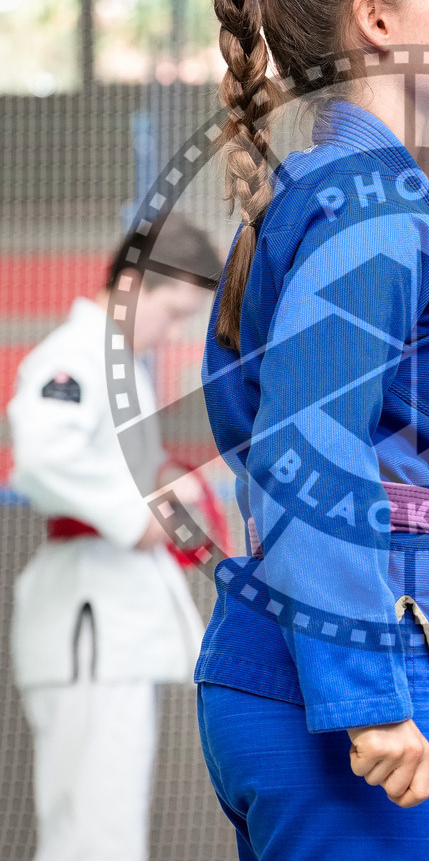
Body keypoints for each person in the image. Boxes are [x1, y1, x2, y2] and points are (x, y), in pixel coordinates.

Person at [196, 0, 429, 861]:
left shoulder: (313, 193)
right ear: (377, 22)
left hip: (295, 677)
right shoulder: (370, 207)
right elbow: (307, 445)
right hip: (345, 687)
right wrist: (365, 695)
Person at [7, 215, 223, 861]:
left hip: (107, 626)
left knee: (100, 823)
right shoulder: (74, 357)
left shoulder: (119, 366)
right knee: (95, 832)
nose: (175, 333)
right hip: (90, 624)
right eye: (173, 312)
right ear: (131, 287)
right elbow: (40, 458)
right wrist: (140, 515)